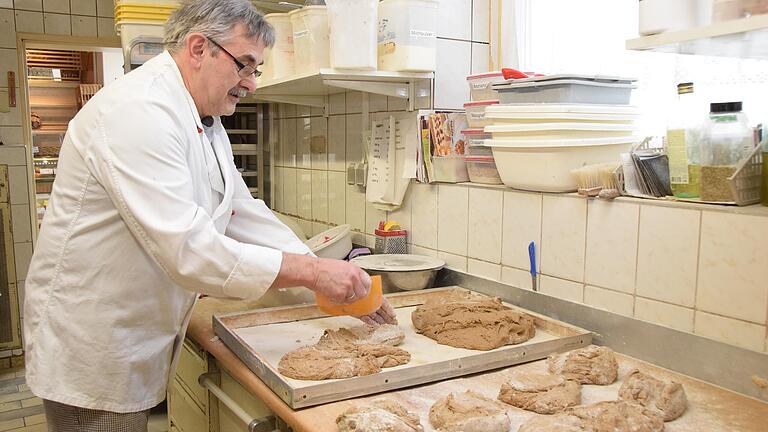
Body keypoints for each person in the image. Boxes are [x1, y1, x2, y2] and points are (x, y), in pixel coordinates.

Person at [23, 0, 396, 429]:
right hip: (95, 342)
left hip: (133, 331)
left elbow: (238, 209)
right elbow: (189, 249)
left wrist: (320, 269)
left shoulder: (204, 120)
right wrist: (313, 275)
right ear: (200, 48)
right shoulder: (138, 112)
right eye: (245, 65)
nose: (251, 84)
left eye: (255, 70)